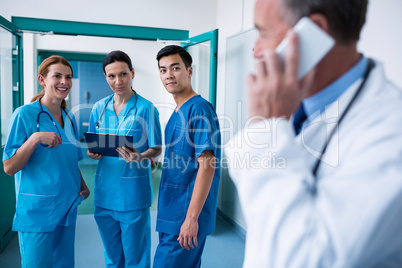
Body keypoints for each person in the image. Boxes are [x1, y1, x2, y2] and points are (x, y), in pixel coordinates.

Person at [225, 0, 402, 267]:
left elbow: (300, 258)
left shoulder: (389, 135)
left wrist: (266, 127)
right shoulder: (294, 105)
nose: (256, 50)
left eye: (264, 33)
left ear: (314, 32)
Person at [2, 55, 90, 268]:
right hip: (37, 211)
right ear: (42, 79)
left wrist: (83, 186)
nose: (64, 82)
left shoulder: (69, 118)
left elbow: (71, 161)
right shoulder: (24, 115)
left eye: (68, 77)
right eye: (57, 76)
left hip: (67, 206)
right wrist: (34, 139)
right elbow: (9, 167)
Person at [87, 50, 162, 268]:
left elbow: (156, 148)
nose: (118, 81)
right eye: (111, 76)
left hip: (132, 195)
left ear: (132, 73)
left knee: (135, 257)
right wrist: (93, 153)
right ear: (105, 77)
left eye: (123, 74)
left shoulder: (146, 108)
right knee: (112, 256)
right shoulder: (98, 108)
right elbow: (94, 145)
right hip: (104, 193)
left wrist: (141, 156)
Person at [153, 45, 221, 268]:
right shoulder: (176, 112)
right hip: (171, 209)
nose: (168, 75)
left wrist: (191, 218)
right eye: (163, 70)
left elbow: (208, 164)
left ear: (189, 71)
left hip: (185, 213)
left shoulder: (199, 109)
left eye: (175, 68)